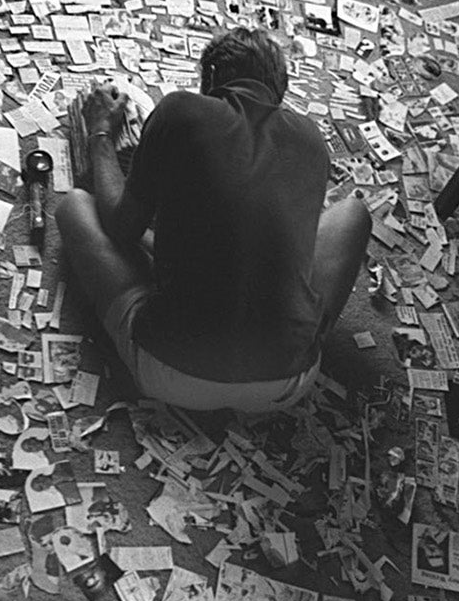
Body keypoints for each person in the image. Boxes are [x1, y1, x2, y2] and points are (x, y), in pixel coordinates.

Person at [56, 27, 371, 412]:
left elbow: (121, 229)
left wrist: (101, 132)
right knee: (354, 212)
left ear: (211, 78)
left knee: (73, 206)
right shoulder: (311, 137)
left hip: (171, 369)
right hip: (284, 383)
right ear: (279, 92)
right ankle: (302, 341)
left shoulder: (179, 109)